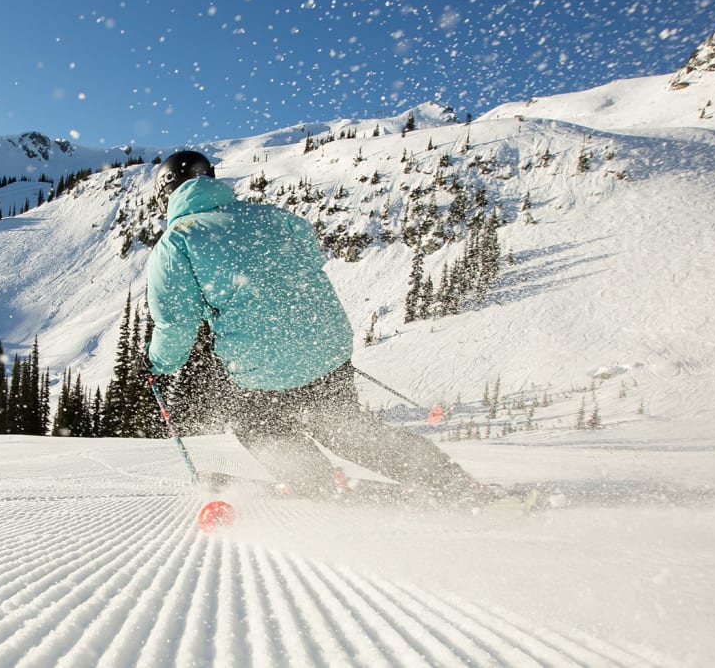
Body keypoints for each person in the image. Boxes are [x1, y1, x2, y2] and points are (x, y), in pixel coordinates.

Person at [144, 150, 485, 504]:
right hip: (326, 345)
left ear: (166, 192)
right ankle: (448, 480)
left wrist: (157, 363)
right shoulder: (273, 216)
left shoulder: (178, 241)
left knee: (260, 427)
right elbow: (306, 262)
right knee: (344, 430)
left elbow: (176, 324)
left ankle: (317, 483)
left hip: (262, 363)